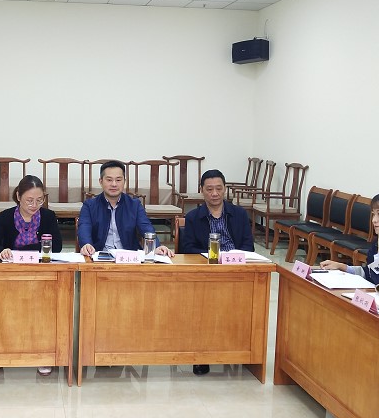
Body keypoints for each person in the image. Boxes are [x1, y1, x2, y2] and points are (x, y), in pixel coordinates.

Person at [0, 175, 62, 376]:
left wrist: (23, 250)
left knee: (43, 311)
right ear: (18, 196)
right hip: (11, 274)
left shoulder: (48, 216)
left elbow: (57, 246)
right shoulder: (5, 216)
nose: (34, 205)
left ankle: (43, 353)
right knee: (2, 311)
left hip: (41, 275)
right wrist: (1, 251)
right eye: (29, 200)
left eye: (39, 200)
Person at [179, 169, 253, 376]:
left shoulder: (239, 214)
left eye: (219, 189)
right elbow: (187, 248)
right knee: (203, 309)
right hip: (206, 272)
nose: (214, 193)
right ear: (202, 191)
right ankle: (202, 354)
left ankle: (240, 349)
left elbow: (248, 246)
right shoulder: (193, 217)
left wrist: (230, 259)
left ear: (225, 189)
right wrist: (212, 258)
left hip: (235, 270)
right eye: (209, 189)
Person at [78, 160, 173, 257]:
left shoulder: (134, 205)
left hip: (129, 258)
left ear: (125, 182)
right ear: (101, 181)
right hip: (99, 257)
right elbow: (84, 227)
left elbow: (146, 227)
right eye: (109, 180)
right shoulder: (89, 205)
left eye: (118, 180)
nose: (114, 184)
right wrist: (86, 244)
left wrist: (156, 246)